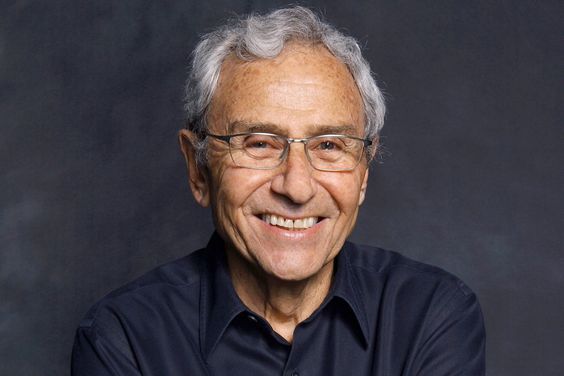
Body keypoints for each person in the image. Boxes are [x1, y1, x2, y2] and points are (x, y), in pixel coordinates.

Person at [71, 6, 485, 375]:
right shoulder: (122, 339)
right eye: (260, 143)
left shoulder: (432, 315)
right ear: (198, 168)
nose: (297, 186)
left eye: (329, 146)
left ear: (363, 173)